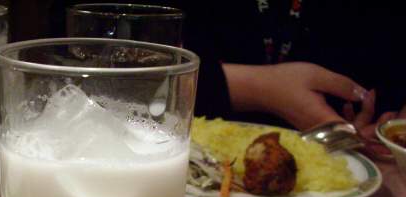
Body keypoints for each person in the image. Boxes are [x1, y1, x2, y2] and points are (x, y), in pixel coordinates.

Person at [49, 0, 406, 150]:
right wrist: (259, 89)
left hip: (353, 189)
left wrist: (389, 125)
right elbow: (77, 64)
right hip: (150, 160)